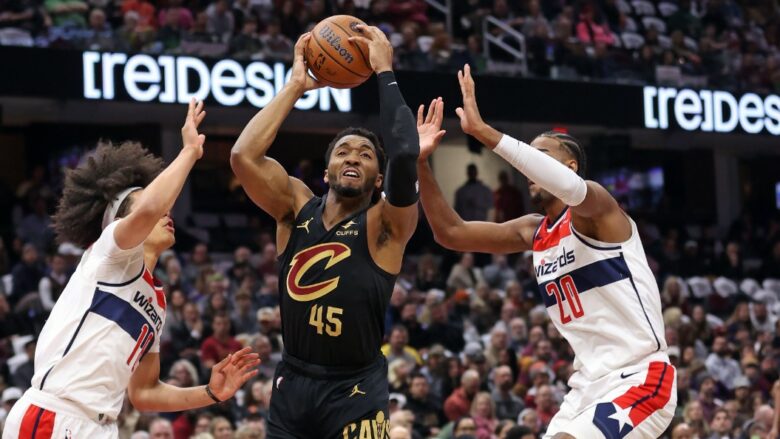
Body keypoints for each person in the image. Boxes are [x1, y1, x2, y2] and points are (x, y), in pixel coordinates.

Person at [416, 64, 676, 438]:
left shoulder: (600, 211)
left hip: (640, 374)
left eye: (539, 156)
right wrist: (420, 162)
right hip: (585, 386)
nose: (528, 167)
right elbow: (451, 233)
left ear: (570, 166)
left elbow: (572, 189)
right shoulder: (533, 230)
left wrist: (485, 132)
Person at [2, 101, 259, 439]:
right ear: (121, 222)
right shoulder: (107, 254)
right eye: (155, 205)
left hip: (102, 426)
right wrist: (189, 153)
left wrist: (210, 393)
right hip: (55, 414)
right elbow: (150, 208)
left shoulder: (157, 301)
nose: (166, 211)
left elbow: (144, 392)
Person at [230, 26, 420, 438]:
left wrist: (384, 71)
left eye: (366, 155)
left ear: (379, 179)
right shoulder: (294, 207)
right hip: (293, 383)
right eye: (343, 152)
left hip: (356, 388)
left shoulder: (386, 225)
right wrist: (294, 88)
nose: (353, 158)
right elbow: (243, 156)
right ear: (327, 171)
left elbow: (405, 153)